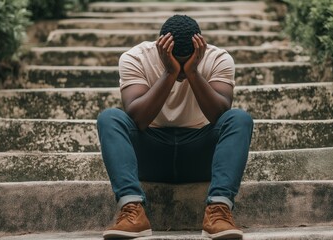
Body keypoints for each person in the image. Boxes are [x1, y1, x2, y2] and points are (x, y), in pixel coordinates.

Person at [97, 15, 253, 239]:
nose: (181, 68)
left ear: (199, 48)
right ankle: (133, 211)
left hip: (200, 155)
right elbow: (138, 118)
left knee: (239, 118)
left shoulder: (218, 58)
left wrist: (193, 72)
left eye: (186, 60)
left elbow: (219, 115)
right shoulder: (135, 58)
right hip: (150, 154)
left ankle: (218, 212)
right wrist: (169, 73)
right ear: (161, 47)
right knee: (110, 117)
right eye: (175, 61)